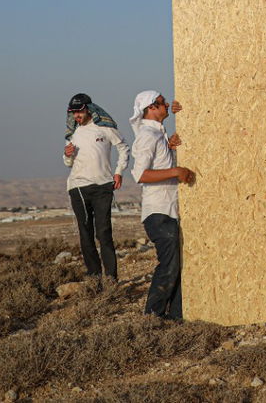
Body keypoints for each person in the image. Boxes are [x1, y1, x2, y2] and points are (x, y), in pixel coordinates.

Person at [129, 90, 194, 320]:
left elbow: (158, 163)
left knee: (175, 266)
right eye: (161, 102)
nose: (166, 104)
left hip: (168, 211)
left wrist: (170, 148)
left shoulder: (157, 135)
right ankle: (152, 318)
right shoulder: (147, 135)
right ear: (151, 108)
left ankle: (175, 316)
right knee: (168, 267)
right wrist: (176, 171)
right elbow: (141, 174)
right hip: (158, 212)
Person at [63, 93, 130, 283]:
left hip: (103, 186)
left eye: (79, 112)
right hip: (78, 187)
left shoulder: (105, 128)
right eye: (73, 113)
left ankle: (111, 278)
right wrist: (67, 154)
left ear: (88, 109)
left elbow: (123, 147)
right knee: (85, 234)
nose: (77, 116)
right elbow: (68, 162)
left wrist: (119, 171)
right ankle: (94, 278)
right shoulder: (73, 133)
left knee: (104, 232)